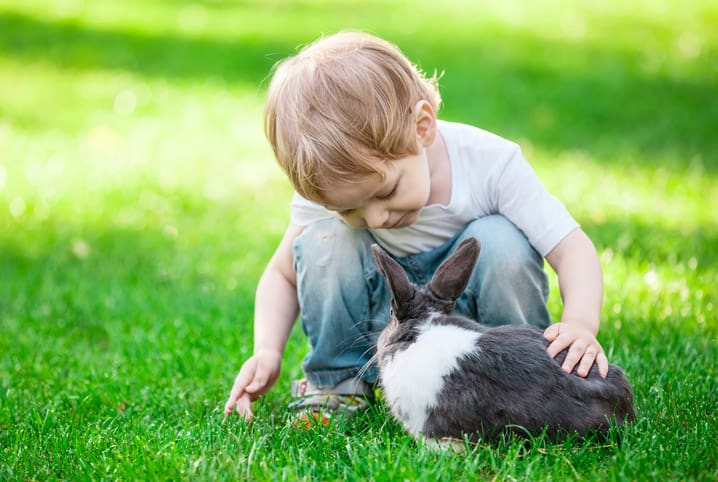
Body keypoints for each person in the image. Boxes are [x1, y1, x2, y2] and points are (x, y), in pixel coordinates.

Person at [224, 31, 608, 424]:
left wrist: (579, 323)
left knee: (500, 239)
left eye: (386, 191)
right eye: (349, 209)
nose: (374, 219)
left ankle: (515, 383)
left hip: (484, 341)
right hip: (386, 331)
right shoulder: (331, 183)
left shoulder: (490, 164)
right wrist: (267, 351)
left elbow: (571, 248)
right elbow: (281, 274)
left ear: (422, 127)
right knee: (325, 239)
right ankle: (337, 387)